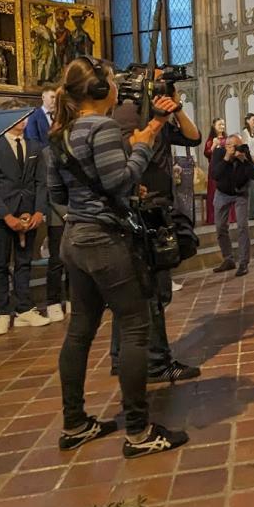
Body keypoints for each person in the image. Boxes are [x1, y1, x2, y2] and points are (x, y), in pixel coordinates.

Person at [48, 56, 186, 458]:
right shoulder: (103, 126)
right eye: (112, 82)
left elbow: (59, 196)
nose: (116, 88)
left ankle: (74, 423)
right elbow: (121, 180)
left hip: (74, 240)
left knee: (80, 331)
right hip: (106, 242)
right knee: (134, 329)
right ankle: (139, 432)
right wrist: (142, 149)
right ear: (99, 90)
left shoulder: (61, 132)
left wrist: (150, 129)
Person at [107, 97, 204, 384]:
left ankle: (120, 357)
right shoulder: (128, 111)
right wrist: (154, 123)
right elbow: (126, 148)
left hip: (158, 205)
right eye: (161, 83)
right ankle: (157, 362)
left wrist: (175, 111)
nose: (167, 91)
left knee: (145, 292)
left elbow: (194, 137)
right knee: (153, 291)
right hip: (143, 208)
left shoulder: (160, 113)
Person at [0, 116, 55, 335]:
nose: (23, 122)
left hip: (28, 211)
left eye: (25, 118)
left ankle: (24, 308)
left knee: (24, 262)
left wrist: (39, 210)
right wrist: (6, 215)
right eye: (18, 118)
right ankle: (2, 312)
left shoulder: (34, 146)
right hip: (0, 214)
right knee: (0, 263)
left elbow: (41, 182)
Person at [211, 134, 254, 277]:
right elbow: (215, 175)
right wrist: (227, 158)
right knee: (220, 227)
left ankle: (244, 263)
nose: (238, 148)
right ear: (227, 146)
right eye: (234, 146)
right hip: (222, 193)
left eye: (239, 144)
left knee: (242, 226)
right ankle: (228, 259)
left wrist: (244, 160)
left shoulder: (244, 152)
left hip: (240, 194)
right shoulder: (219, 153)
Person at [203, 118, 228, 225]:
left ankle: (228, 217)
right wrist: (214, 145)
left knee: (227, 192)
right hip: (214, 169)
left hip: (226, 169)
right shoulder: (211, 140)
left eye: (223, 124)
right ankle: (214, 217)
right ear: (214, 126)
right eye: (219, 124)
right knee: (215, 192)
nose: (222, 126)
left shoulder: (227, 139)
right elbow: (207, 153)